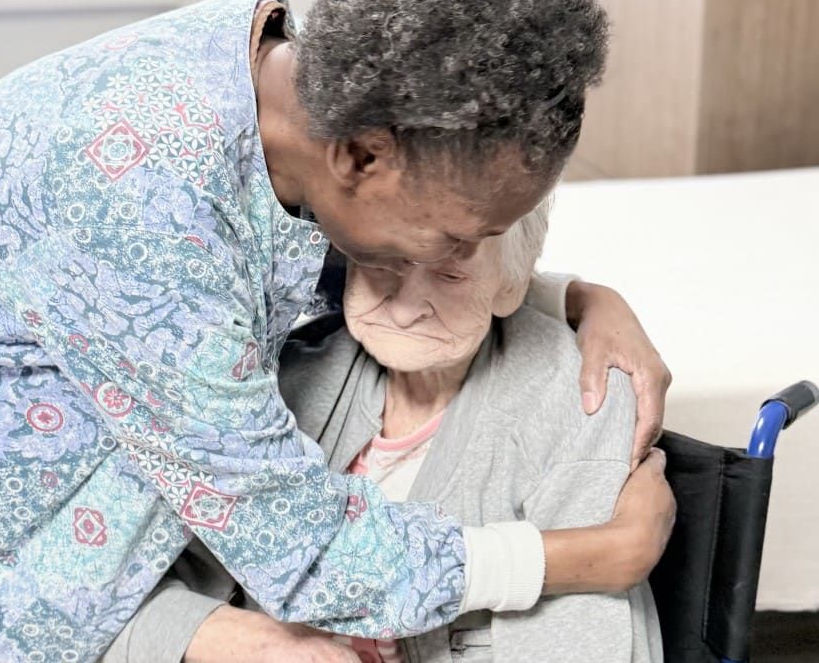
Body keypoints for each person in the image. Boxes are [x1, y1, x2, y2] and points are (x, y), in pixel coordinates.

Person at [0, 0, 671, 661]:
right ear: (362, 159)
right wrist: (590, 557)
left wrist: (563, 294)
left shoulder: (270, 66)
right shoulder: (137, 209)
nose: (463, 256)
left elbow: (273, 261)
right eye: (457, 239)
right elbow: (307, 554)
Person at [103, 199, 670, 663]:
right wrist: (243, 639)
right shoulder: (275, 378)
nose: (404, 309)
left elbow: (576, 639)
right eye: (382, 263)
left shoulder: (580, 397)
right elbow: (103, 602)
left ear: (511, 283)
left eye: (449, 273)